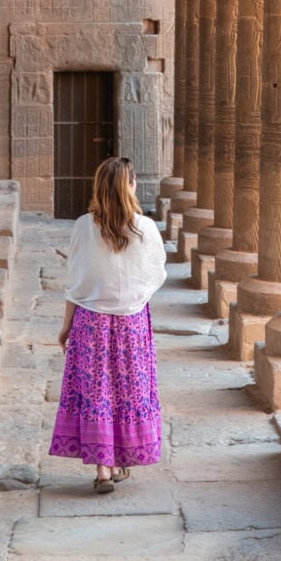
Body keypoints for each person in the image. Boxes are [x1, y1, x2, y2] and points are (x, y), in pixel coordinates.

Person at [49, 157, 167, 493]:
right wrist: (132, 297)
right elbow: (156, 274)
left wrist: (66, 325)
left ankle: (104, 468)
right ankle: (119, 460)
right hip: (131, 323)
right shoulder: (145, 228)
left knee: (96, 391)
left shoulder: (85, 226)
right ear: (129, 186)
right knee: (126, 392)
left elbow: (76, 279)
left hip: (90, 321)